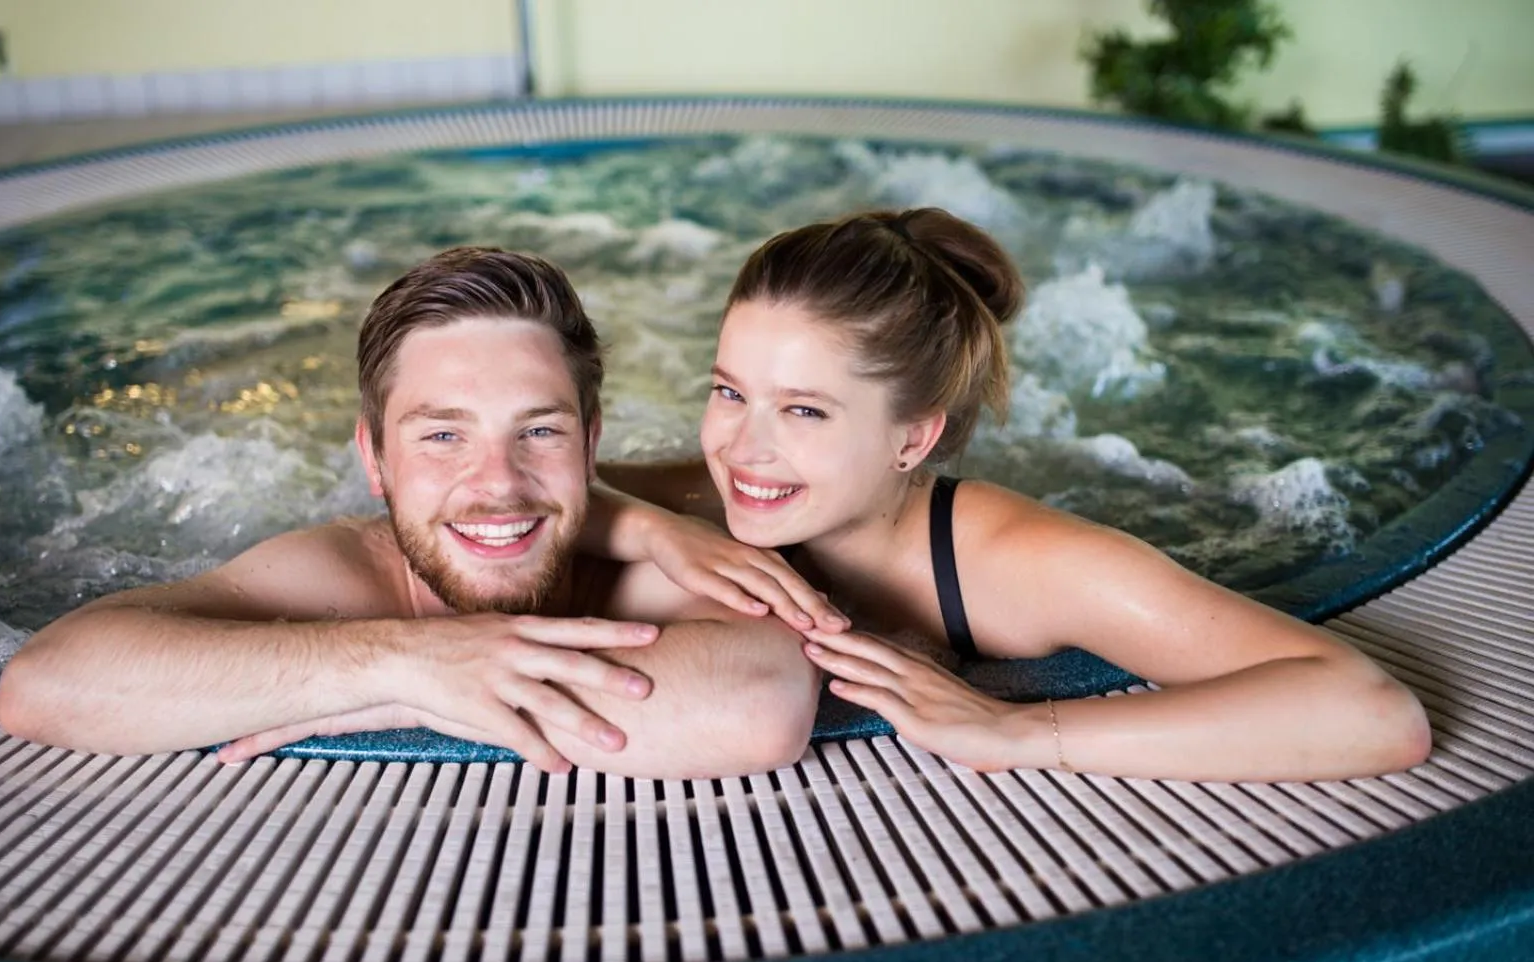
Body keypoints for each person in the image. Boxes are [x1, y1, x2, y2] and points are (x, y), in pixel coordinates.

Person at [585, 208, 1433, 782]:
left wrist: (1020, 731)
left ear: (912, 438)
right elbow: (559, 496)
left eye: (804, 410)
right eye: (729, 391)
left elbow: (1370, 709)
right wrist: (645, 530)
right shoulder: (716, 491)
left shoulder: (1022, 566)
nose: (741, 446)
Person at [0, 247, 819, 780]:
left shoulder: (649, 569)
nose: (498, 484)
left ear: (591, 443)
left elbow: (761, 699)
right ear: (375, 460)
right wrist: (403, 666)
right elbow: (43, 682)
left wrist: (435, 693)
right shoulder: (338, 574)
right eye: (442, 436)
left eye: (539, 431)